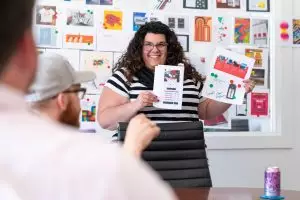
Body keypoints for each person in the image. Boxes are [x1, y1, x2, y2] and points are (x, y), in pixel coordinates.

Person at [0, 1, 176, 199]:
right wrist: (129, 153)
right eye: (78, 92)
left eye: (161, 44)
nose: (155, 50)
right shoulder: (92, 162)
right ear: (62, 100)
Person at [97, 21, 255, 130]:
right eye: (149, 44)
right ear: (140, 48)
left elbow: (205, 111)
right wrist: (136, 104)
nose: (155, 50)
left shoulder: (187, 75)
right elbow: (105, 121)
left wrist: (235, 94)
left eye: (161, 44)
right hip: (140, 156)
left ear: (169, 47)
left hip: (186, 152)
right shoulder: (125, 76)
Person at [27, 52, 159, 158]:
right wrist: (132, 148)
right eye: (78, 93)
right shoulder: (68, 155)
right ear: (63, 101)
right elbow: (109, 188)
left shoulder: (22, 146)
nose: (80, 103)